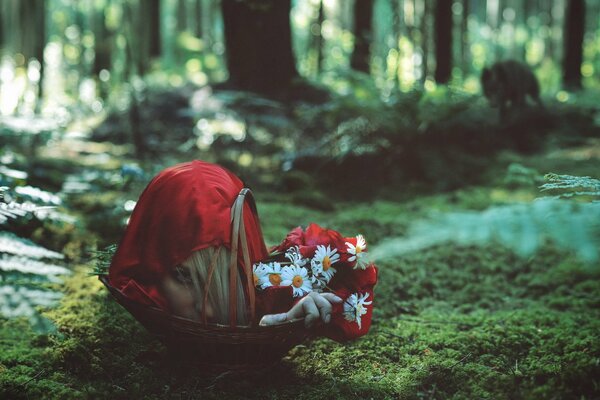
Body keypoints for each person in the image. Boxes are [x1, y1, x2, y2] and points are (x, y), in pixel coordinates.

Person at [108, 160, 350, 330]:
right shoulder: (141, 289)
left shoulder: (265, 283)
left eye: (231, 274)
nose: (210, 311)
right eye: (185, 278)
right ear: (152, 262)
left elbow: (265, 309)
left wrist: (286, 319)